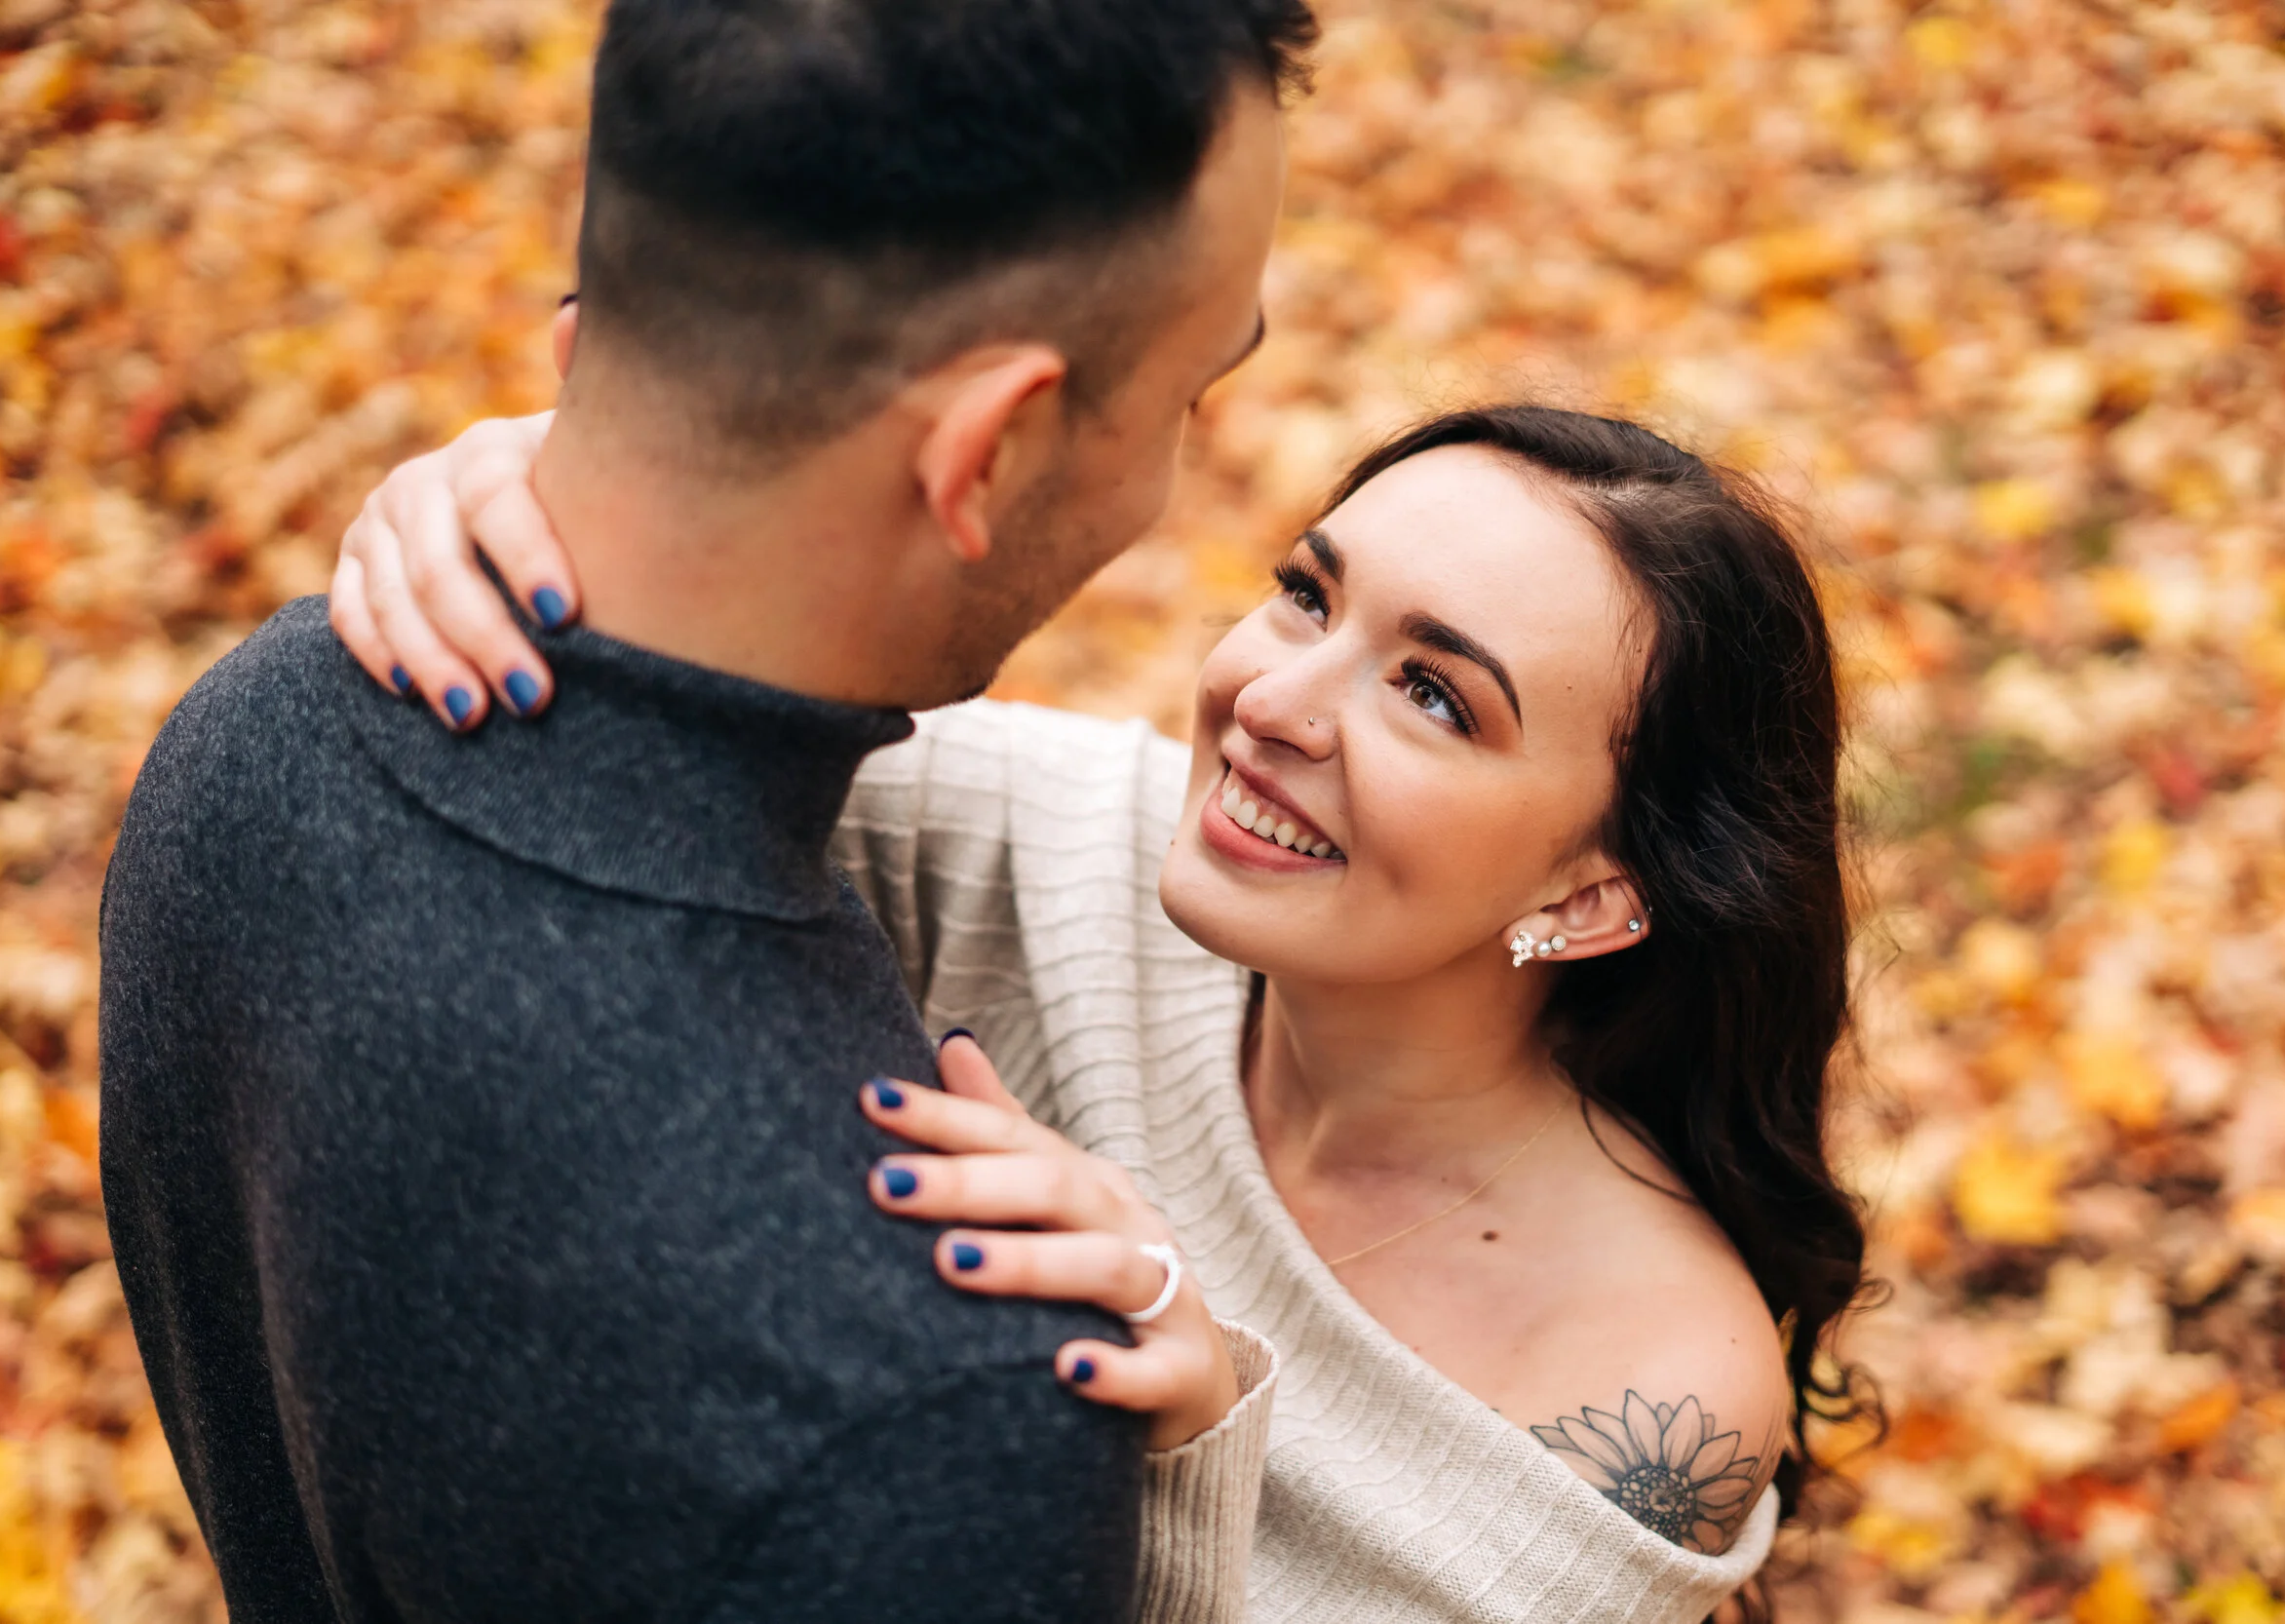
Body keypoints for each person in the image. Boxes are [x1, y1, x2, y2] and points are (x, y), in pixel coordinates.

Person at [97, 1, 1316, 1619]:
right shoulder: (932, 1412)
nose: (1172, 479)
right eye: (1186, 397)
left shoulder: (252, 742)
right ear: (989, 451)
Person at [329, 397, 1878, 1621]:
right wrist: (523, 503)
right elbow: (652, 696)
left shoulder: (1649, 1378)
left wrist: (1181, 1436)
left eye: (1430, 694)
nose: (1270, 702)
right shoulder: (1050, 839)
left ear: (1593, 897)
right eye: (1303, 595)